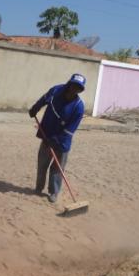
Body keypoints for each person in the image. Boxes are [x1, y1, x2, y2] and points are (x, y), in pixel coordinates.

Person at [28, 74, 85, 203]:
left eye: (78, 88)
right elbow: (44, 99)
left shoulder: (78, 107)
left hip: (62, 141)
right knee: (42, 163)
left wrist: (55, 140)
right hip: (47, 133)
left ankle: (53, 192)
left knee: (57, 168)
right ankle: (38, 188)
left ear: (80, 90)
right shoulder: (56, 90)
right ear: (68, 84)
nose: (74, 89)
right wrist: (35, 108)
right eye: (73, 85)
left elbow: (70, 130)